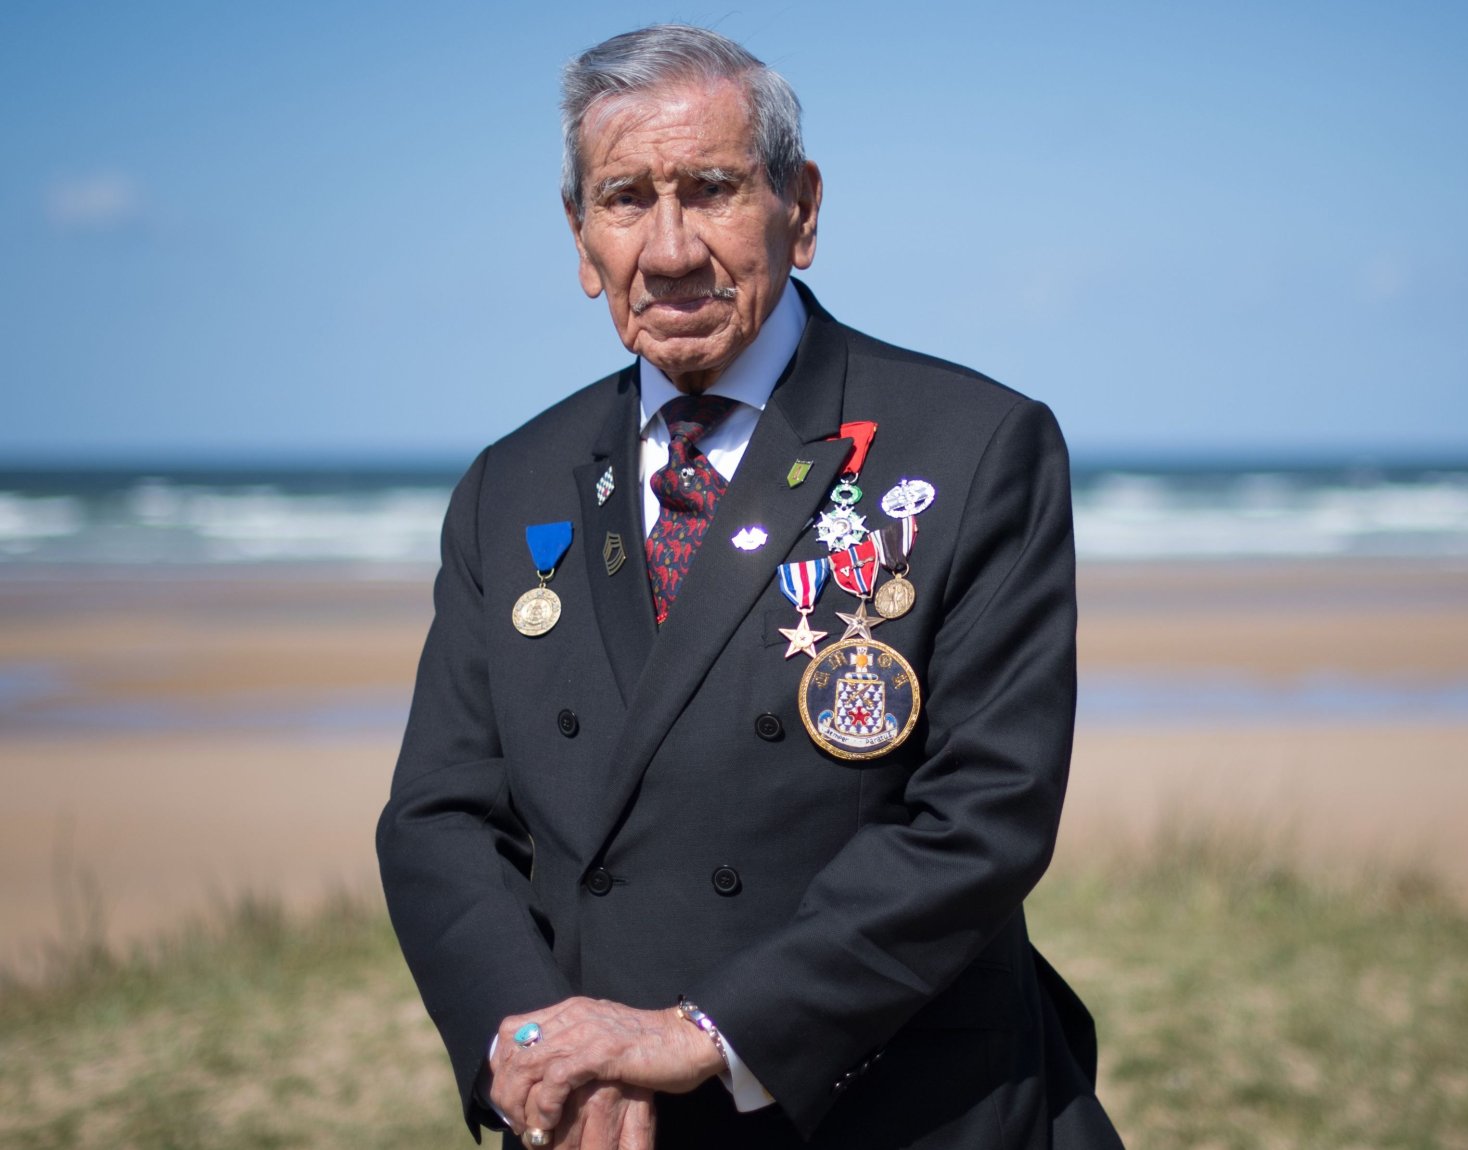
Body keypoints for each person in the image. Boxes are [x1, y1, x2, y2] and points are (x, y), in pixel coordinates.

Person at [375, 23, 1122, 1150]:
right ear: (580, 239)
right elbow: (440, 814)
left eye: (711, 190)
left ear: (801, 209)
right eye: (625, 199)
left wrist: (707, 1031)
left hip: (899, 1112)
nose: (669, 249)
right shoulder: (507, 485)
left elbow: (984, 815)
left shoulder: (972, 448)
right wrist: (533, 1048)